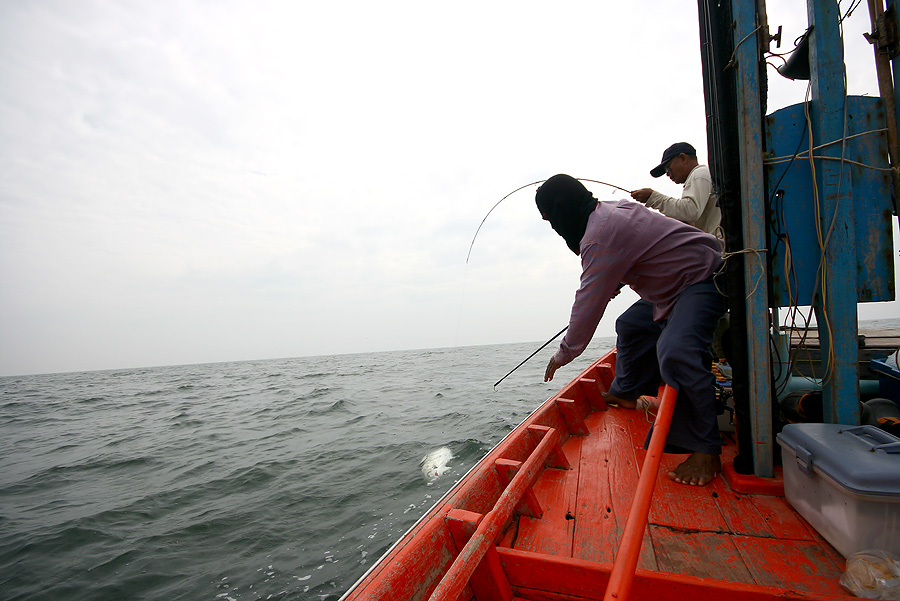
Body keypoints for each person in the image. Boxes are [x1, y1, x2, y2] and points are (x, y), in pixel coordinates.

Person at [537, 174, 725, 486]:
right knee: (631, 325)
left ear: (561, 210)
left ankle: (706, 448)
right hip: (671, 289)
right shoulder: (609, 211)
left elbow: (588, 302)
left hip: (702, 277)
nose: (554, 225)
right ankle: (627, 392)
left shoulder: (599, 237)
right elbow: (643, 246)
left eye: (551, 218)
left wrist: (564, 354)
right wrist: (618, 279)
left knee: (676, 351)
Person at [630, 142, 721, 235]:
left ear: (683, 158)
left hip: (718, 247)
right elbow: (690, 216)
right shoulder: (701, 176)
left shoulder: (699, 174)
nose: (668, 174)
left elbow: (691, 211)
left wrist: (652, 197)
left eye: (667, 168)